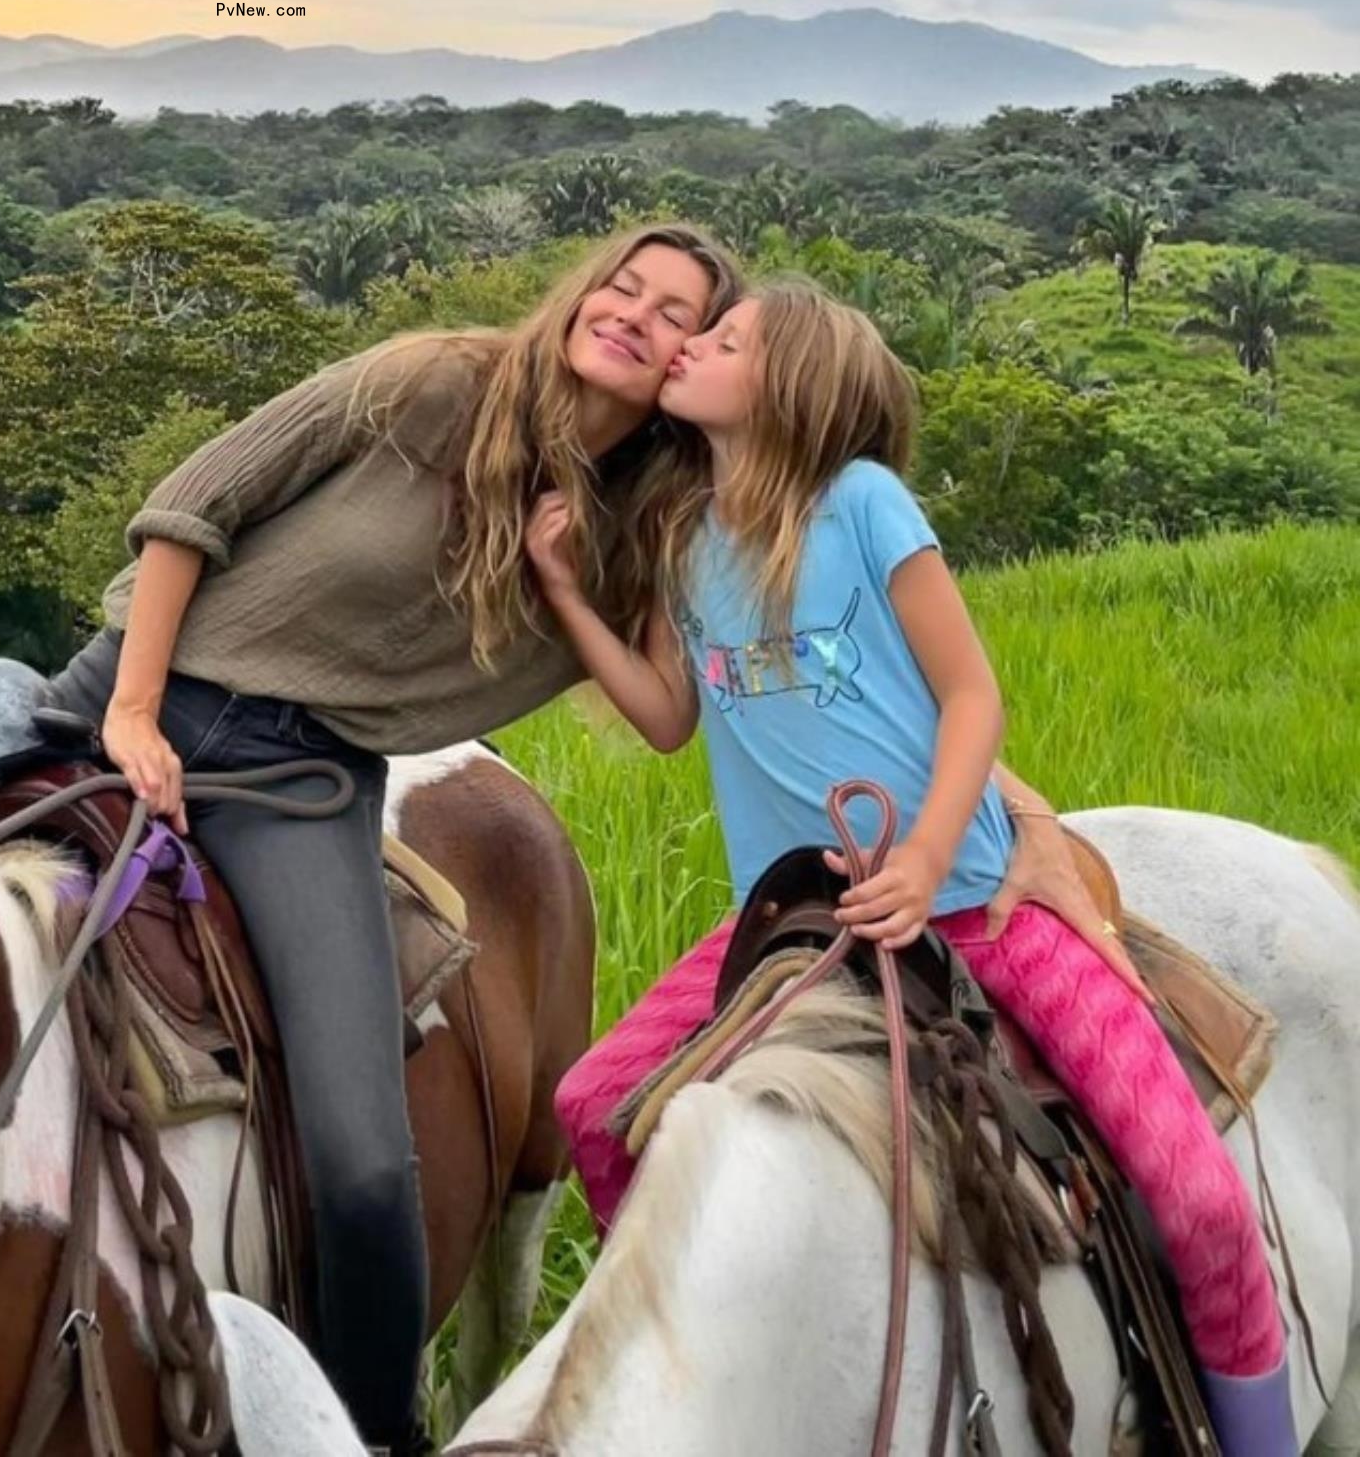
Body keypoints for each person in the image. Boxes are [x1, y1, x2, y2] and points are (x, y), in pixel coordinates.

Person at [0, 223, 737, 1456]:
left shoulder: (644, 524)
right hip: (130, 693)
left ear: (691, 361)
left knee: (361, 1161)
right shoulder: (429, 380)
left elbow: (669, 713)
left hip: (292, 784)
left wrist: (564, 581)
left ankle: (374, 1427)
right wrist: (131, 710)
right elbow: (191, 505)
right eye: (624, 284)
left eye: (675, 311)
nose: (634, 313)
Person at [531, 277, 1295, 1457]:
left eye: (726, 338)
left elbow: (972, 693)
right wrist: (566, 590)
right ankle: (692, 1361)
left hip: (975, 906)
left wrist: (930, 853)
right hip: (793, 923)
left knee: (1198, 1199)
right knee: (593, 1103)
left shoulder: (864, 504)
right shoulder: (685, 535)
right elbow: (672, 714)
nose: (692, 343)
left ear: (788, 386)